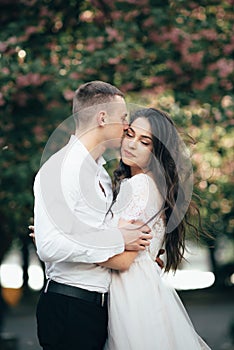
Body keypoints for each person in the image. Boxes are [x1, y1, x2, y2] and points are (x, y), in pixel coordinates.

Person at [33, 81, 154, 350]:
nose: (126, 126)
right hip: (70, 307)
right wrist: (117, 240)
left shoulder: (98, 171)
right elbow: (49, 245)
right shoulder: (61, 170)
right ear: (102, 118)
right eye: (123, 118)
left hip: (97, 308)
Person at [97, 108, 211, 350]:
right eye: (129, 134)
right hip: (143, 286)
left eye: (144, 141)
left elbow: (123, 258)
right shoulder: (151, 184)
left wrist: (67, 240)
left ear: (157, 151)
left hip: (130, 291)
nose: (131, 144)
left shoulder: (139, 186)